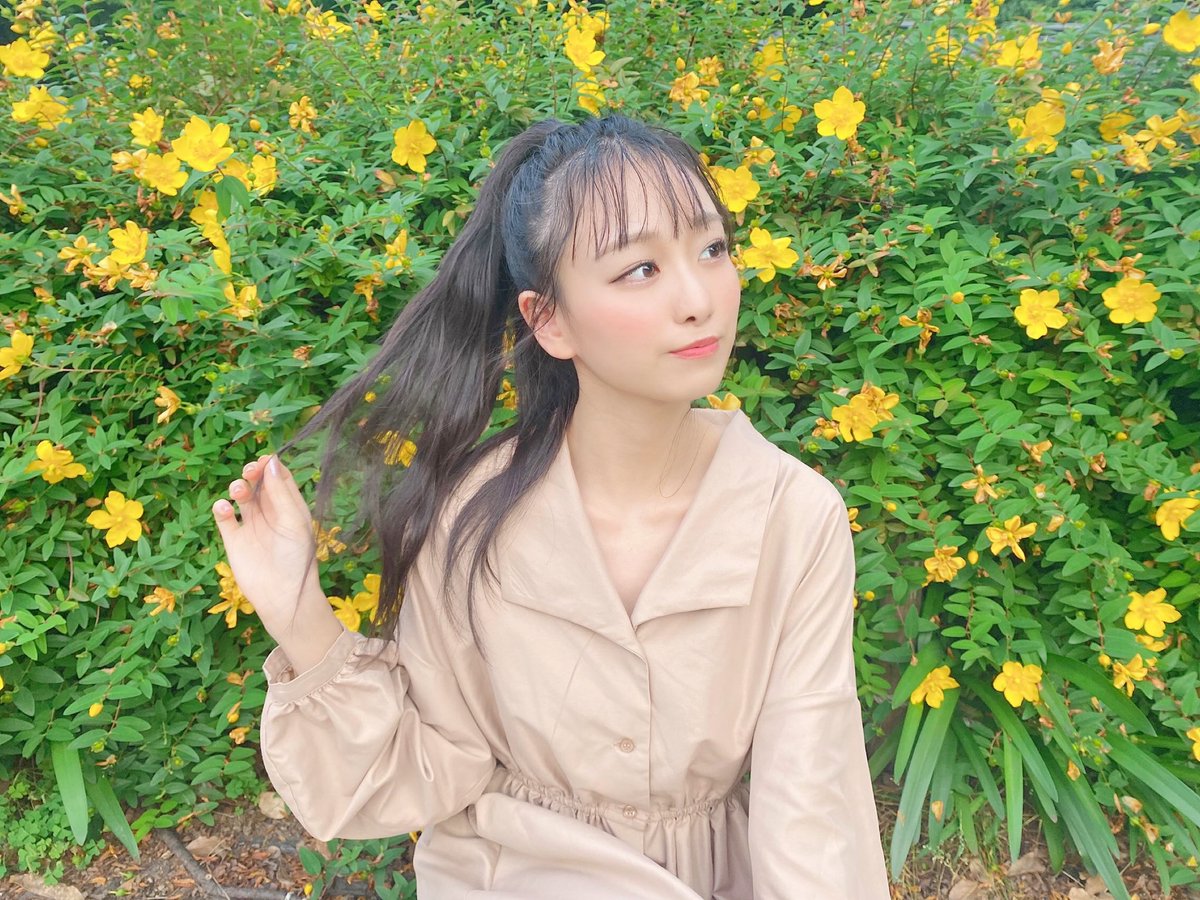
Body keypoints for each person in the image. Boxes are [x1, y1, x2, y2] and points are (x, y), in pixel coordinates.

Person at [211, 112, 891, 899]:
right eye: (641, 268)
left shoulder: (793, 515)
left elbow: (811, 800)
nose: (698, 298)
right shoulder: (472, 514)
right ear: (549, 320)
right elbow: (424, 767)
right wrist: (299, 614)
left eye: (712, 249)